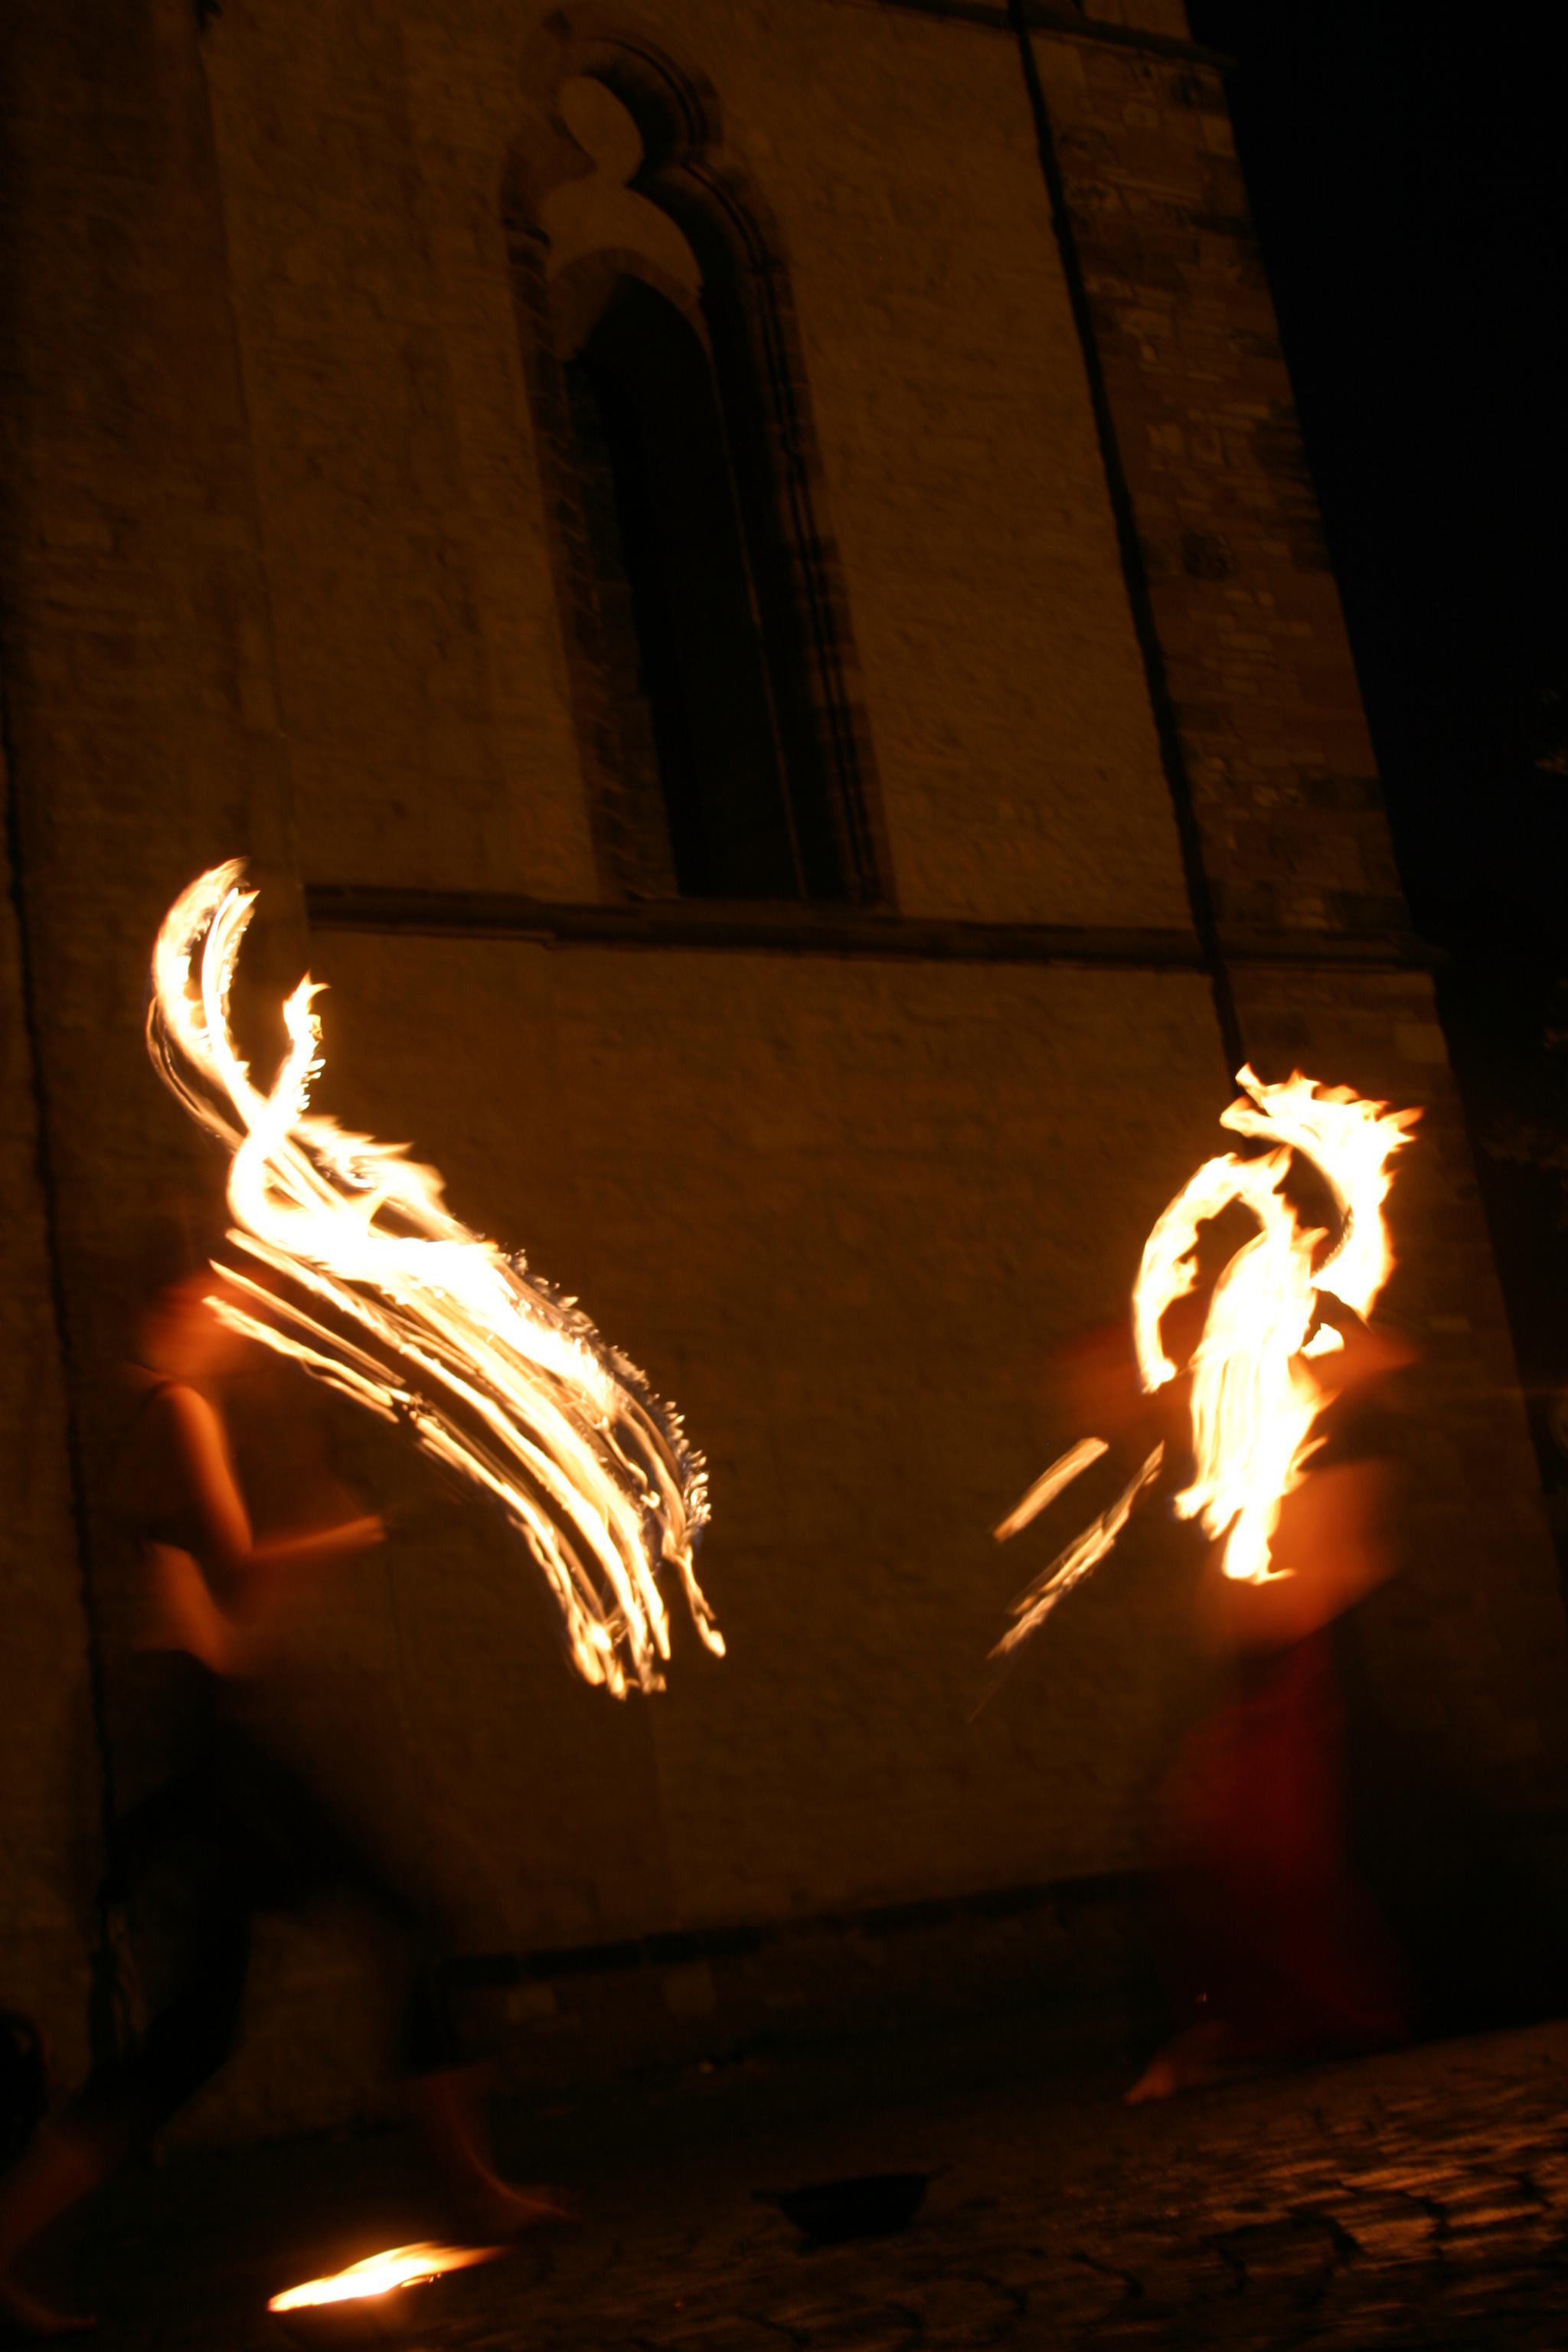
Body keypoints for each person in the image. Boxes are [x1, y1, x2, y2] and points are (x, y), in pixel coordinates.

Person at [0, 1271, 560, 2339]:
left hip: (194, 1741)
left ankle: (476, 2189)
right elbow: (240, 1577)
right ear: (174, 1311)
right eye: (221, 1306)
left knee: (197, 2034)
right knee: (405, 1922)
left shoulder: (157, 1415)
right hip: (208, 1746)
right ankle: (476, 2192)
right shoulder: (177, 1408)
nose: (241, 1325)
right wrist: (369, 1528)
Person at [1125, 1296, 1413, 2102]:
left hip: (1300, 1655)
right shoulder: (1266, 1436)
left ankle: (1316, 2017)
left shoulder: (1333, 1440)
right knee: (1232, 1843)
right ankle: (1258, 2021)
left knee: (1270, 1845)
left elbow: (1330, 1552)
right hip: (1267, 1661)